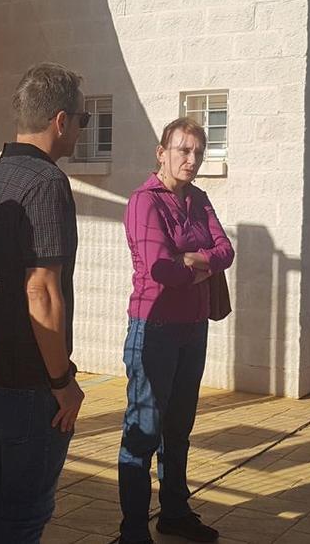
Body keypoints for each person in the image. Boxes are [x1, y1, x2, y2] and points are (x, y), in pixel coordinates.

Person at [0, 62, 86, 544]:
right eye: (82, 120)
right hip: (31, 386)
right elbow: (41, 290)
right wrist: (61, 381)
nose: (80, 131)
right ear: (60, 121)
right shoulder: (46, 182)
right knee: (25, 513)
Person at [117, 118, 234, 544]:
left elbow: (226, 250)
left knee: (179, 428)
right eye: (183, 150)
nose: (191, 159)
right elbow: (161, 268)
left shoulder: (199, 199)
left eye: (198, 153)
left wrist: (193, 260)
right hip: (155, 328)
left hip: (192, 328)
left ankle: (174, 513)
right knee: (144, 430)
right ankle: (132, 529)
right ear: (161, 152)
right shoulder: (144, 202)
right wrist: (198, 269)